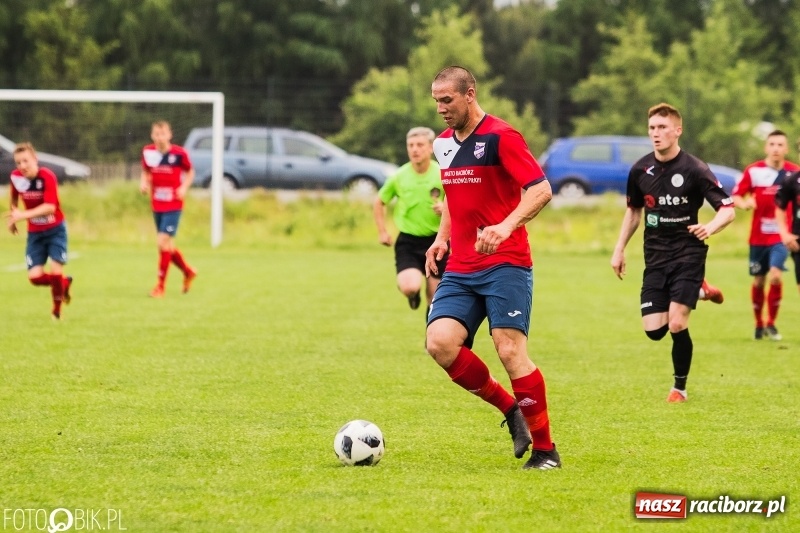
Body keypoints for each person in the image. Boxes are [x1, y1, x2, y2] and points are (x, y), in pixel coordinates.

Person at [425, 66, 559, 470]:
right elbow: (453, 196)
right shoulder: (443, 144)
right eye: (436, 102)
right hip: (462, 266)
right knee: (440, 343)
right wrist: (442, 238)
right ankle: (510, 409)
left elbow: (541, 190)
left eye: (447, 100)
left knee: (509, 350)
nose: (441, 109)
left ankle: (546, 451)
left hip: (506, 262)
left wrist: (505, 226)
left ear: (470, 93)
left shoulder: (503, 137)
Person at [610, 103, 735, 403]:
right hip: (655, 256)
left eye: (662, 127)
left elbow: (727, 210)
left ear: (677, 131)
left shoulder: (694, 168)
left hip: (689, 253)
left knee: (677, 323)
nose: (656, 133)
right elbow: (633, 212)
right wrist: (619, 249)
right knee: (654, 331)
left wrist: (710, 227)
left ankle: (679, 388)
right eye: (652, 127)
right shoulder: (640, 169)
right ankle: (701, 292)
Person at [373, 127, 447, 319]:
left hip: (437, 241)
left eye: (420, 145)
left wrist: (446, 208)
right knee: (409, 286)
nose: (415, 149)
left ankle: (430, 338)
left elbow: (458, 203)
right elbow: (379, 202)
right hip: (408, 241)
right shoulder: (399, 176)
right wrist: (382, 231)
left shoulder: (443, 174)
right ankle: (413, 296)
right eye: (411, 145)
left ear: (430, 148)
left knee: (435, 296)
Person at [731, 130, 799, 341]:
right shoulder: (754, 171)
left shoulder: (794, 173)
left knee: (776, 275)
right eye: (772, 144)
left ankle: (771, 323)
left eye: (780, 145)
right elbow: (736, 196)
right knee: (759, 280)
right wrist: (745, 203)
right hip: (758, 236)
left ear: (786, 149)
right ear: (766, 147)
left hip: (782, 235)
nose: (776, 148)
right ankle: (759, 323)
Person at [4, 142, 73, 320]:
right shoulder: (16, 177)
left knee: (56, 270)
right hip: (35, 234)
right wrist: (13, 216)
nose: (22, 166)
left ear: (35, 159)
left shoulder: (47, 176)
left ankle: (56, 312)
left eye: (26, 161)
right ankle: (63, 283)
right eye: (18, 163)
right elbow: (13, 196)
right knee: (34, 278)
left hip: (55, 230)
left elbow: (50, 207)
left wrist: (22, 215)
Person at [140, 120, 196, 298]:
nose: (160, 137)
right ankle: (188, 271)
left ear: (169, 135)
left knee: (162, 242)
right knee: (168, 246)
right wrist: (143, 182)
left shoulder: (179, 154)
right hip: (157, 203)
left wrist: (184, 187)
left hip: (174, 204)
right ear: (152, 135)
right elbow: (146, 171)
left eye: (163, 134)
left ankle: (160, 287)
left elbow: (190, 171)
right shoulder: (148, 152)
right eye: (156, 134)